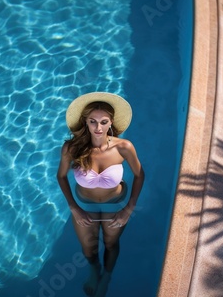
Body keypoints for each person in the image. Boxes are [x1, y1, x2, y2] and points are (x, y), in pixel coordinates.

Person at [57, 92, 145, 297]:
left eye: (104, 122)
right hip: (84, 204)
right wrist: (74, 208)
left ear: (111, 122)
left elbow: (140, 175)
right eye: (93, 122)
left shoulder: (124, 147)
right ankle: (94, 270)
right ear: (85, 122)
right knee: (88, 250)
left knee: (111, 243)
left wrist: (129, 208)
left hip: (115, 204)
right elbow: (61, 177)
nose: (98, 128)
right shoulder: (71, 148)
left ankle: (107, 276)